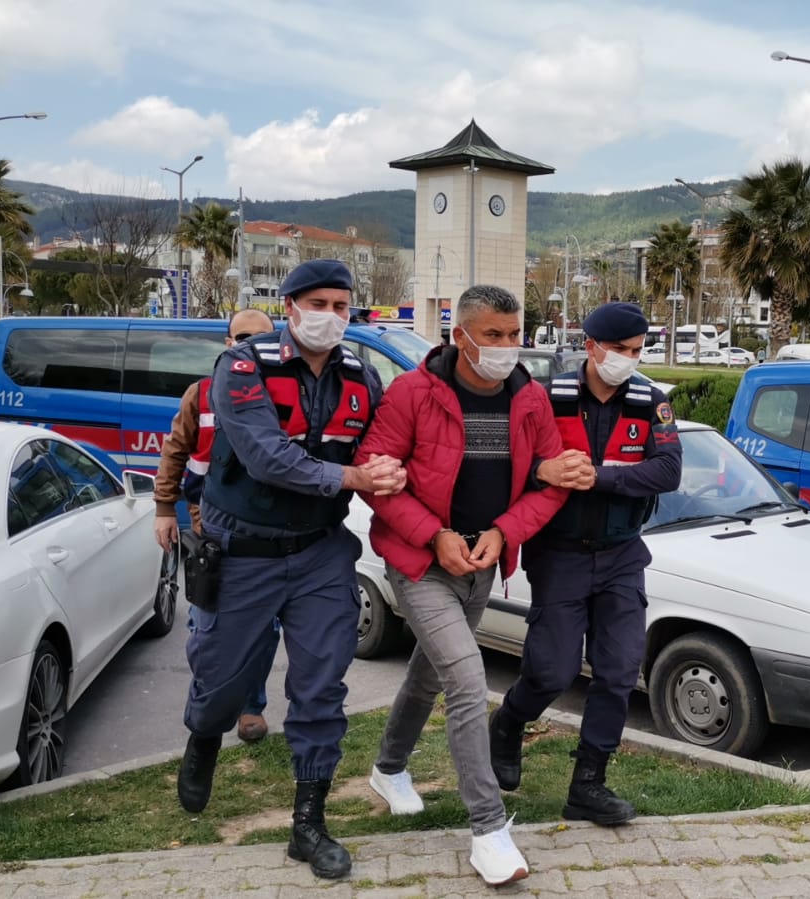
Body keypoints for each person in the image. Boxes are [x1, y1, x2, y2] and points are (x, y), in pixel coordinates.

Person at [176, 259, 407, 882]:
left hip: (318, 552)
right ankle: (203, 737)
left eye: (342, 305)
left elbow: (381, 444)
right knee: (222, 680)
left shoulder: (362, 374)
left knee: (321, 687)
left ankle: (309, 824)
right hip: (242, 551)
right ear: (290, 306)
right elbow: (262, 454)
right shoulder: (243, 365)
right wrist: (352, 477)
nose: (333, 316)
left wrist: (392, 471)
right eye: (320, 303)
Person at [355, 284, 568, 887]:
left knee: (429, 674)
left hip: (482, 562)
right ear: (460, 337)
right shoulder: (412, 394)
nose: (506, 347)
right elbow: (376, 478)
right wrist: (433, 536)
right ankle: (489, 830)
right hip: (420, 564)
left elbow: (549, 482)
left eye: (512, 334)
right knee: (468, 681)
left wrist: (502, 533)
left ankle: (389, 768)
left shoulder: (529, 398)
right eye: (493, 336)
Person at [491, 301, 682, 827]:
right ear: (591, 346)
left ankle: (588, 785)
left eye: (637, 351)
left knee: (619, 671)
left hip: (622, 556)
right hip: (560, 555)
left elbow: (667, 471)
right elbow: (510, 462)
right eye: (620, 350)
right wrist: (545, 469)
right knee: (550, 671)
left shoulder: (651, 403)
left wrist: (599, 477)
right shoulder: (545, 398)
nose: (629, 360)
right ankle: (507, 725)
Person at [153, 308, 278, 744]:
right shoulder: (200, 393)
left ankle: (250, 706)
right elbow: (174, 452)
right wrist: (164, 509)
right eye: (240, 336)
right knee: (205, 622)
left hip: (264, 529)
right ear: (227, 343)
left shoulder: (282, 391)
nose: (249, 345)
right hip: (208, 525)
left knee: (264, 626)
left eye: (259, 337)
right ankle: (208, 700)